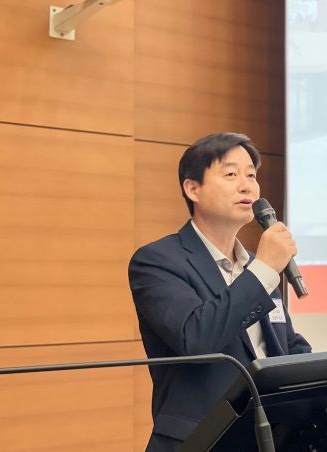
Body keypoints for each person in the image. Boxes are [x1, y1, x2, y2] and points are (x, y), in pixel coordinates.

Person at [128, 132, 312, 451]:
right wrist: (265, 269)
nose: (247, 186)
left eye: (251, 175)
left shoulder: (256, 265)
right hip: (203, 440)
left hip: (268, 438)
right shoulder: (156, 261)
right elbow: (196, 338)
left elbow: (284, 346)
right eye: (231, 174)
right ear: (193, 189)